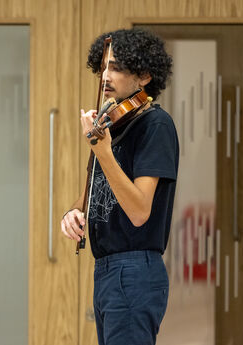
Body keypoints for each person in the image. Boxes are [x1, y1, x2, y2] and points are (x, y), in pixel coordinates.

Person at [61, 28, 178, 345]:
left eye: (116, 67)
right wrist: (72, 212)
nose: (105, 77)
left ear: (143, 76)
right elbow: (93, 194)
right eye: (102, 68)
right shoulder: (112, 124)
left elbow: (140, 210)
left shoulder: (155, 125)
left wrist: (103, 151)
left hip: (134, 269)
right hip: (107, 270)